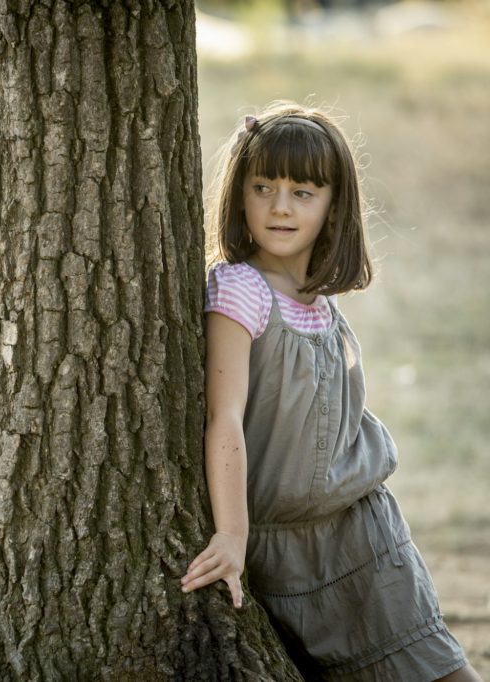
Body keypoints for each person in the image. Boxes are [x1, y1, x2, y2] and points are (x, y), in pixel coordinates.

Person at [180, 102, 481, 680]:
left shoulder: (321, 300)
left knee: (438, 669)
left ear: (333, 206)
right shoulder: (241, 291)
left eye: (303, 192)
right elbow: (225, 419)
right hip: (278, 545)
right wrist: (232, 534)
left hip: (360, 535)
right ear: (239, 196)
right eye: (263, 186)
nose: (280, 206)